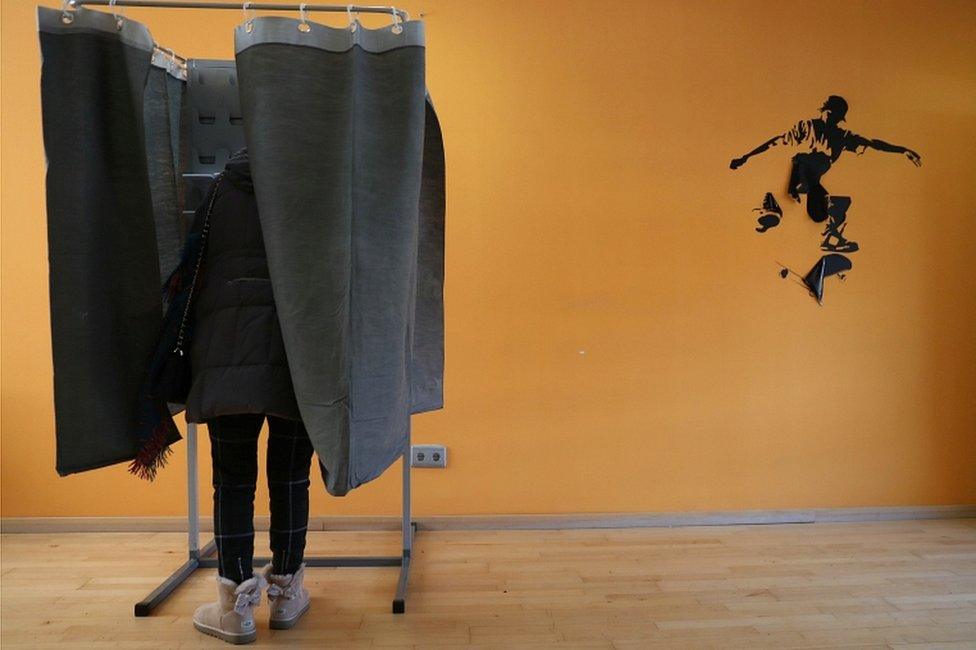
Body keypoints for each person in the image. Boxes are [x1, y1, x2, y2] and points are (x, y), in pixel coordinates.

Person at [150, 149, 313, 644]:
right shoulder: (315, 187)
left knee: (233, 481)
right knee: (290, 477)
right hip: (297, 355)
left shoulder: (220, 191)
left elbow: (188, 273)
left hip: (225, 353)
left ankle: (235, 610)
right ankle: (285, 595)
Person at [730, 95, 921, 253]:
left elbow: (873, 143)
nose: (833, 121)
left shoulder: (841, 136)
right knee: (810, 168)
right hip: (801, 171)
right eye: (831, 116)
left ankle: (828, 236)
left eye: (837, 119)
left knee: (840, 203)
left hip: (812, 180)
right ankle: (777, 204)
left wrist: (903, 150)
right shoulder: (807, 127)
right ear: (825, 112)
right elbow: (775, 142)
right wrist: (746, 157)